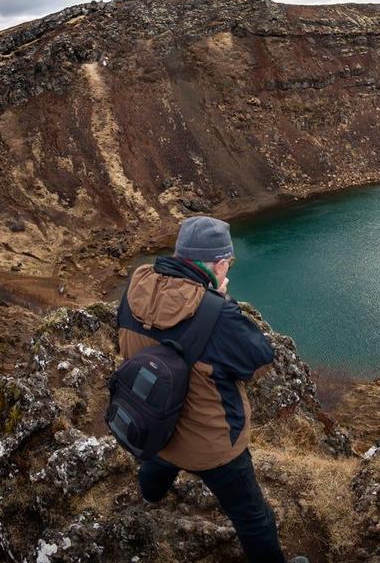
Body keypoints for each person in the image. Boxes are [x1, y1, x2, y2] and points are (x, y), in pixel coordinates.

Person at [118, 215, 307, 563]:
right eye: (228, 263)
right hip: (211, 445)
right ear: (219, 264)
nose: (228, 269)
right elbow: (260, 359)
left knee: (160, 462)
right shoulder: (215, 313)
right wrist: (224, 302)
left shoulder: (137, 286)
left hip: (154, 424)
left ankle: (150, 494)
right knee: (253, 516)